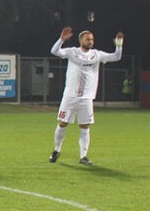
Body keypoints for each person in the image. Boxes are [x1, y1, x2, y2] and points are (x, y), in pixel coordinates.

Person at [49, 26, 124, 166]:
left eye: (92, 39)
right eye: (88, 39)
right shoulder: (72, 52)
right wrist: (61, 40)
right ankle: (56, 150)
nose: (90, 41)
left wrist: (119, 45)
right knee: (62, 123)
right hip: (70, 95)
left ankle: (83, 156)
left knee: (85, 126)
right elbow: (54, 51)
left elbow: (116, 57)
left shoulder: (97, 54)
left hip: (87, 97)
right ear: (81, 40)